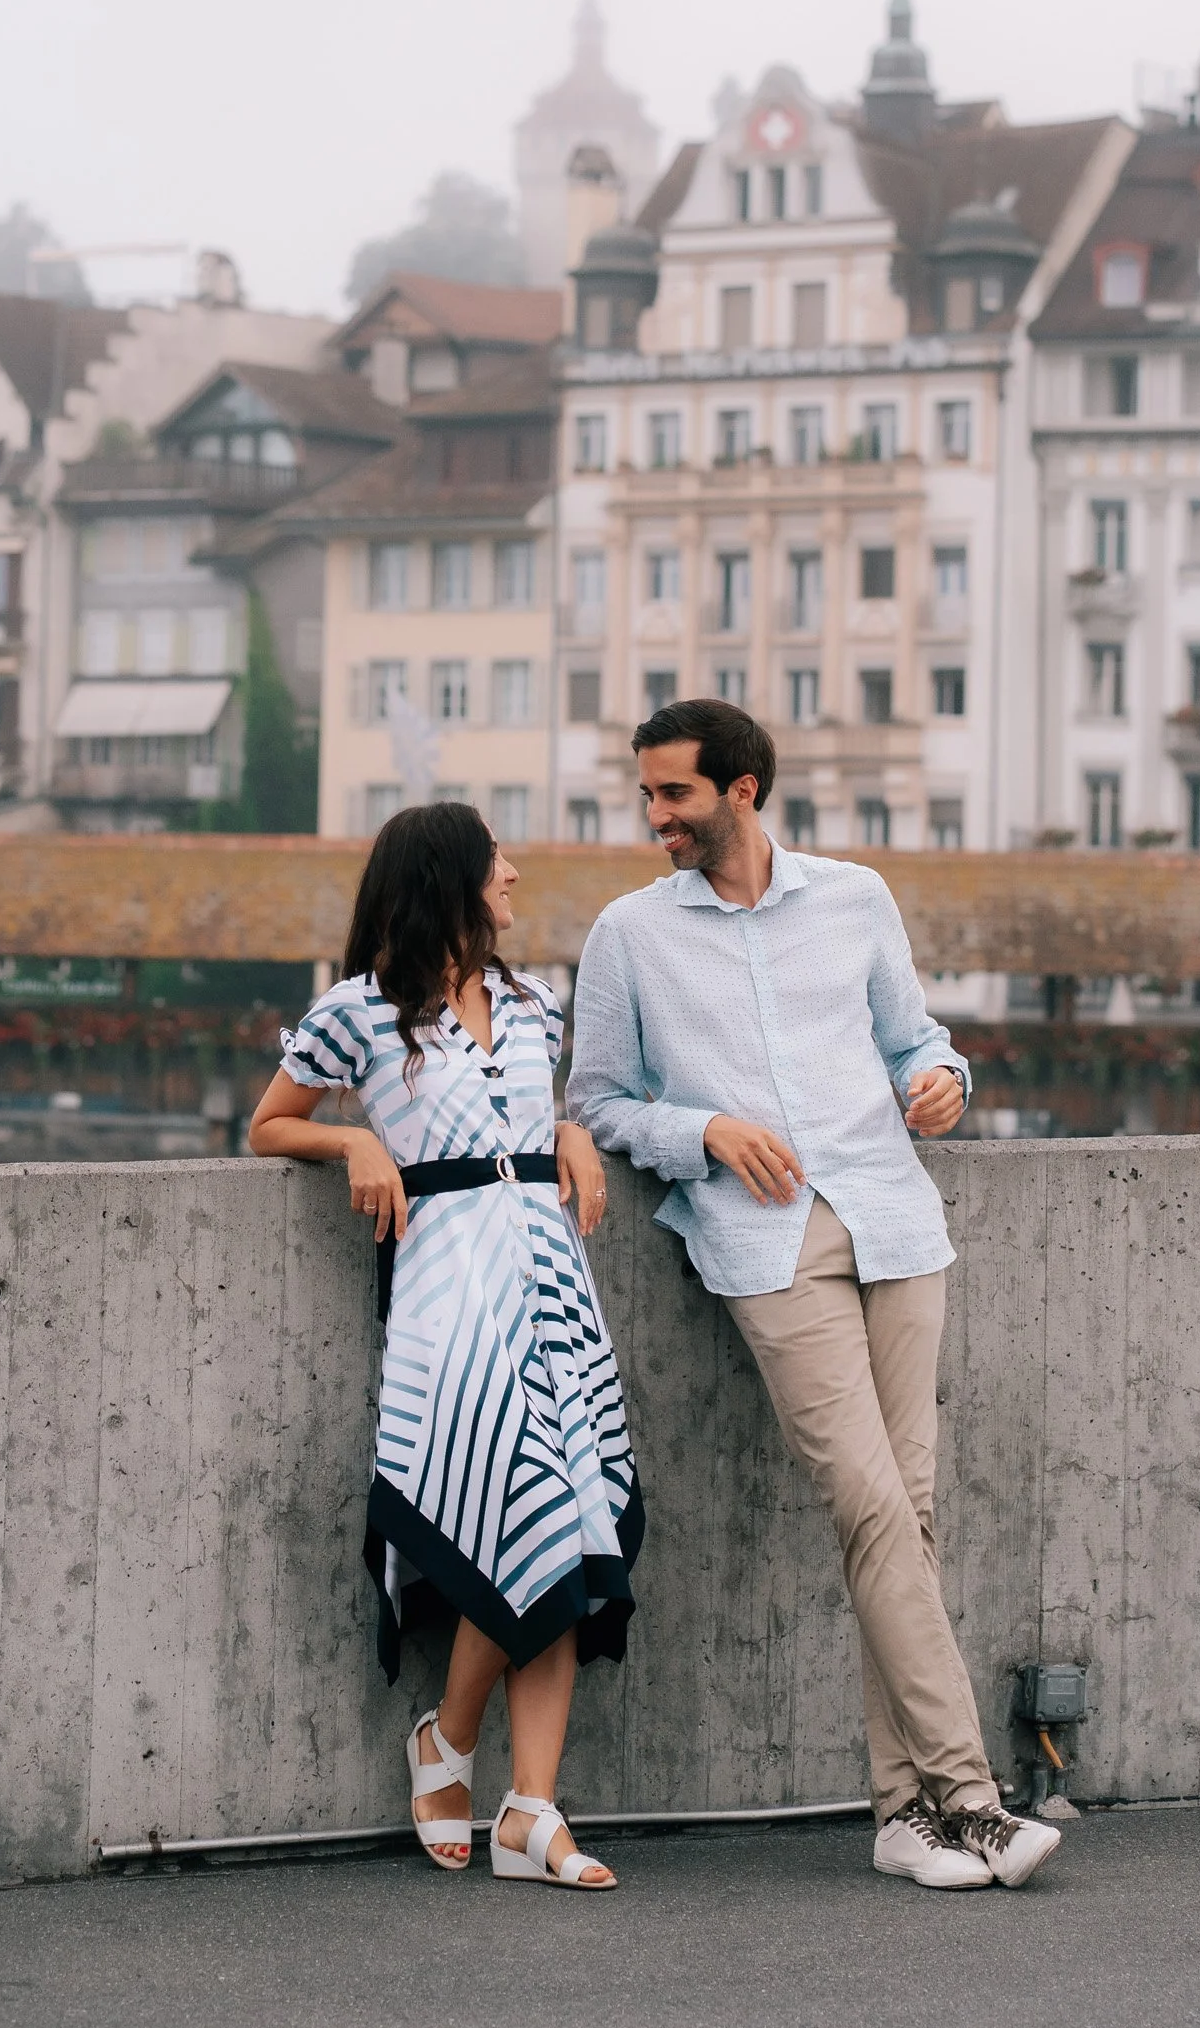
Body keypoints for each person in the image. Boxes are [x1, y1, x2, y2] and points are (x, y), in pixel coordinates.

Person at [568, 700, 1060, 1895]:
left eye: (673, 794)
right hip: (760, 1244)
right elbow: (593, 1102)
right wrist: (702, 1130)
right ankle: (973, 1801)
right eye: (644, 795)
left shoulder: (853, 899)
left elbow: (915, 1041)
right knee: (870, 1507)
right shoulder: (628, 935)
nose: (654, 817)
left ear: (741, 790)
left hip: (894, 1221)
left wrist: (940, 1081)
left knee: (912, 1514)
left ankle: (899, 1820)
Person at [250, 802, 639, 1889]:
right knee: (518, 1505)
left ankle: (530, 1810)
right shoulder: (358, 1013)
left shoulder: (529, 1002)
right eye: (495, 860)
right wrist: (350, 1140)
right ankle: (449, 1742)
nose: (512, 874)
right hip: (445, 1288)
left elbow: (533, 1114)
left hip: (552, 1280)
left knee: (570, 1523)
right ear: (451, 878)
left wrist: (564, 1130)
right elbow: (267, 1122)